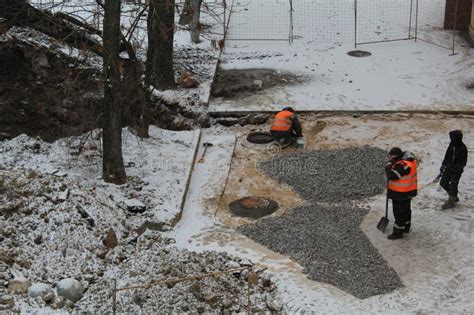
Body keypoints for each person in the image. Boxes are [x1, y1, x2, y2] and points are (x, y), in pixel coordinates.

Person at [385, 147, 418, 240]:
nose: (390, 159)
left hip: (400, 193)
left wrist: (388, 166)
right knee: (406, 210)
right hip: (408, 191)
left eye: (391, 158)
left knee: (399, 212)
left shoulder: (403, 165)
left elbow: (392, 176)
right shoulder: (410, 162)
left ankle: (398, 232)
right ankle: (406, 227)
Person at [439, 130, 468, 209]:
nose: (451, 139)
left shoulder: (463, 148)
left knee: (453, 185)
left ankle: (451, 201)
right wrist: (443, 165)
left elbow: (463, 162)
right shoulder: (451, 145)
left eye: (452, 137)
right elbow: (447, 155)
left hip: (457, 170)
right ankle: (454, 196)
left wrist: (457, 169)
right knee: (443, 182)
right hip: (448, 167)